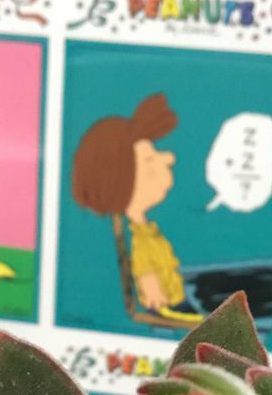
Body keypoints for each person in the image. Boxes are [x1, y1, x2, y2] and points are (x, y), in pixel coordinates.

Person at [72, 93, 201, 323]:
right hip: (171, 309)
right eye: (149, 160)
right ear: (120, 181)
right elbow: (149, 285)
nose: (169, 158)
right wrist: (159, 302)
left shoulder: (145, 230)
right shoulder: (137, 240)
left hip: (180, 301)